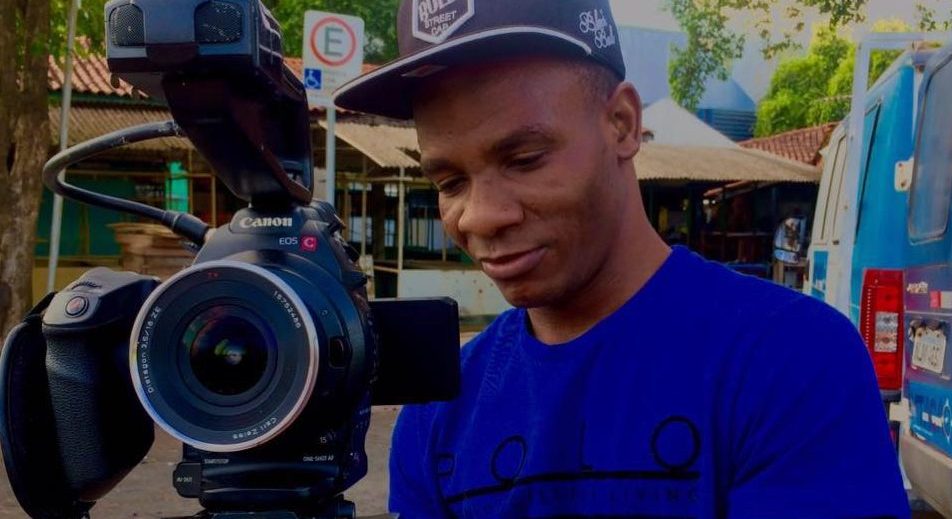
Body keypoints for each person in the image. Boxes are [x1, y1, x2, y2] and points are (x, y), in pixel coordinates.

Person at [334, 1, 909, 517]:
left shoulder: (790, 360)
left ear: (623, 124)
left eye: (525, 159)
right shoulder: (439, 411)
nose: (480, 217)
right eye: (450, 182)